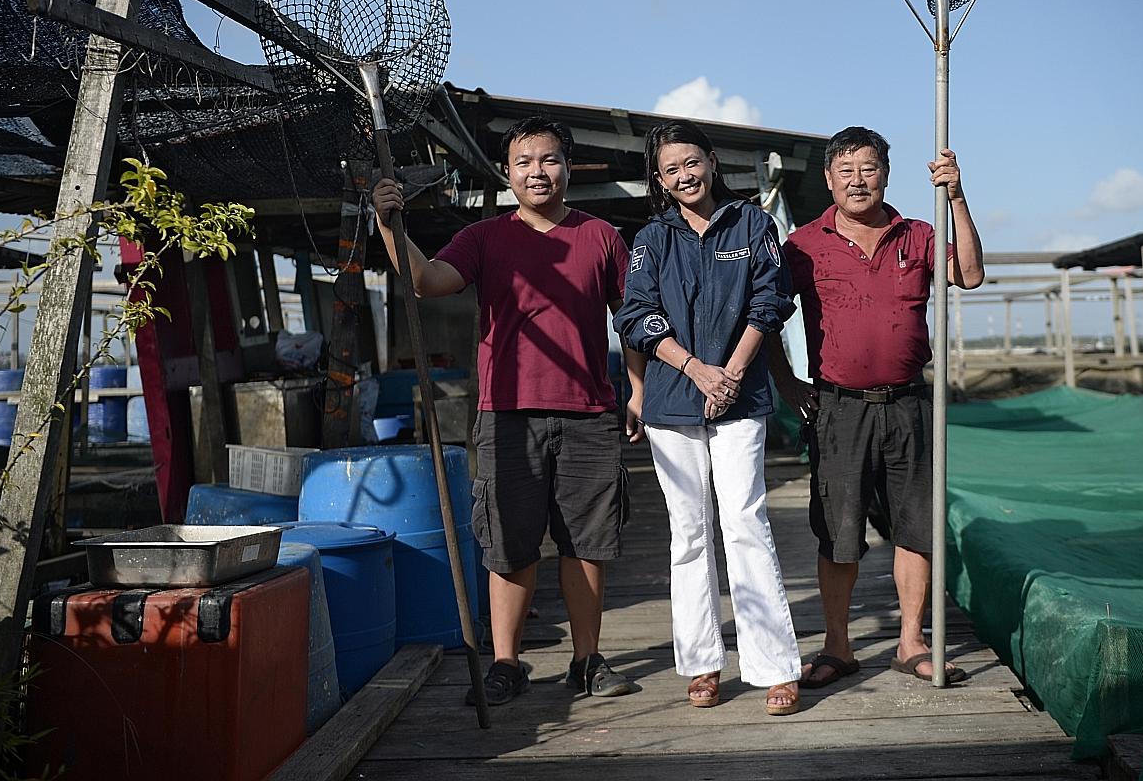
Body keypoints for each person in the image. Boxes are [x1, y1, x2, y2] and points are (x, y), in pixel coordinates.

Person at [371, 115, 644, 706]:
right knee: (508, 542)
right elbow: (428, 281)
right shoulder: (485, 237)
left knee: (586, 542)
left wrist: (637, 392)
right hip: (506, 412)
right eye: (524, 162)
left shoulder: (601, 237)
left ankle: (587, 660)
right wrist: (390, 226)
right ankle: (506, 664)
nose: (536, 172)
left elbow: (634, 320)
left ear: (568, 167)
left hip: (588, 410)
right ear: (507, 172)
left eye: (548, 160)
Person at [767, 126, 984, 689]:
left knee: (916, 527)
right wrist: (786, 382)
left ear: (885, 174)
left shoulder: (919, 234)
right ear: (828, 179)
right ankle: (839, 647)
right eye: (846, 170)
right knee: (837, 532)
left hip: (910, 402)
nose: (858, 180)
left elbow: (971, 274)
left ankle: (911, 642)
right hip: (837, 408)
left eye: (868, 169)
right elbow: (764, 314)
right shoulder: (804, 245)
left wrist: (957, 195)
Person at [613, 119, 803, 716]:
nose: (684, 176)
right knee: (688, 533)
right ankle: (702, 663)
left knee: (745, 521)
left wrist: (733, 373)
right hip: (673, 402)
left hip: (740, 399)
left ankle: (773, 665)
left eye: (692, 163)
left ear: (712, 161)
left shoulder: (754, 225)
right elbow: (635, 316)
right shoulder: (651, 238)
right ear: (660, 180)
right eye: (670, 170)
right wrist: (697, 370)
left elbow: (770, 302)